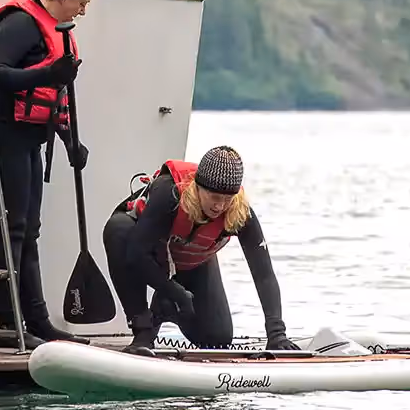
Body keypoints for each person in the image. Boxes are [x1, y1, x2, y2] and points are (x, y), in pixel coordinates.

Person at [0, 0, 96, 345]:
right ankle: (9, 326)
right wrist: (49, 71)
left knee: (29, 231)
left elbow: (52, 97)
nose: (82, 10)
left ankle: (38, 321)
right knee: (12, 227)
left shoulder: (56, 29)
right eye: (82, 2)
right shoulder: (22, 24)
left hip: (30, 136)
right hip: (2, 133)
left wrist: (70, 140)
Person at [104, 145, 297, 354]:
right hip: (147, 254)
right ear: (197, 188)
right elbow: (136, 254)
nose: (219, 206)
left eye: (227, 198)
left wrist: (277, 333)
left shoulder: (240, 210)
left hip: (192, 261)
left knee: (217, 339)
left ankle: (166, 307)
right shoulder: (170, 192)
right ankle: (143, 330)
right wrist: (174, 291)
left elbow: (264, 274)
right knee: (117, 230)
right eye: (214, 196)